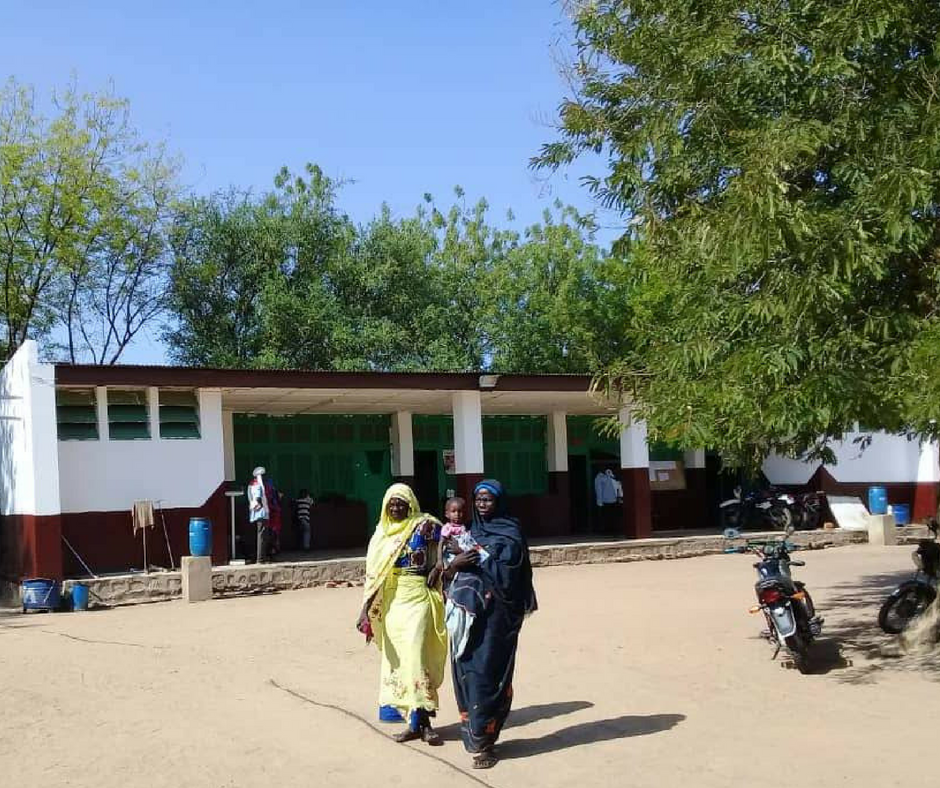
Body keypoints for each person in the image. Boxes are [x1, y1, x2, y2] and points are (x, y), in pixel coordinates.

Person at [445, 479, 537, 770]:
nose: (482, 504)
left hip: (498, 619)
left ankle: (486, 742)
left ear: (499, 502)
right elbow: (447, 571)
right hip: (469, 617)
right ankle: (474, 736)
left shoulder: (510, 533)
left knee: (488, 673)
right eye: (479, 499)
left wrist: (477, 556)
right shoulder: (469, 531)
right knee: (467, 672)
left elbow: (509, 576)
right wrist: (456, 562)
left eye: (488, 499)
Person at [357, 483, 448, 745]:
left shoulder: (425, 525)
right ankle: (413, 723)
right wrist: (365, 610)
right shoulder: (381, 534)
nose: (396, 508)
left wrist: (438, 565)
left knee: (417, 657)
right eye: (392, 504)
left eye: (401, 504)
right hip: (392, 603)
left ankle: (426, 723)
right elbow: (374, 576)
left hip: (418, 597)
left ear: (411, 505)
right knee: (399, 662)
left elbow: (448, 543)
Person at [431, 497, 488, 660]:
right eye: (454, 511)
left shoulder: (468, 529)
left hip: (467, 565)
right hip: (451, 564)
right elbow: (441, 544)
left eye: (461, 511)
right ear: (446, 513)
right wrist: (440, 562)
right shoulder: (447, 528)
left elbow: (475, 552)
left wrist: (461, 552)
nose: (457, 515)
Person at [247, 467, 272, 563]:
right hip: (261, 513)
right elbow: (258, 498)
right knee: (262, 536)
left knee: (259, 535)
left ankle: (259, 557)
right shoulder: (258, 485)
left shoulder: (251, 484)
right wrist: (260, 505)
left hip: (255, 513)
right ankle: (260, 559)